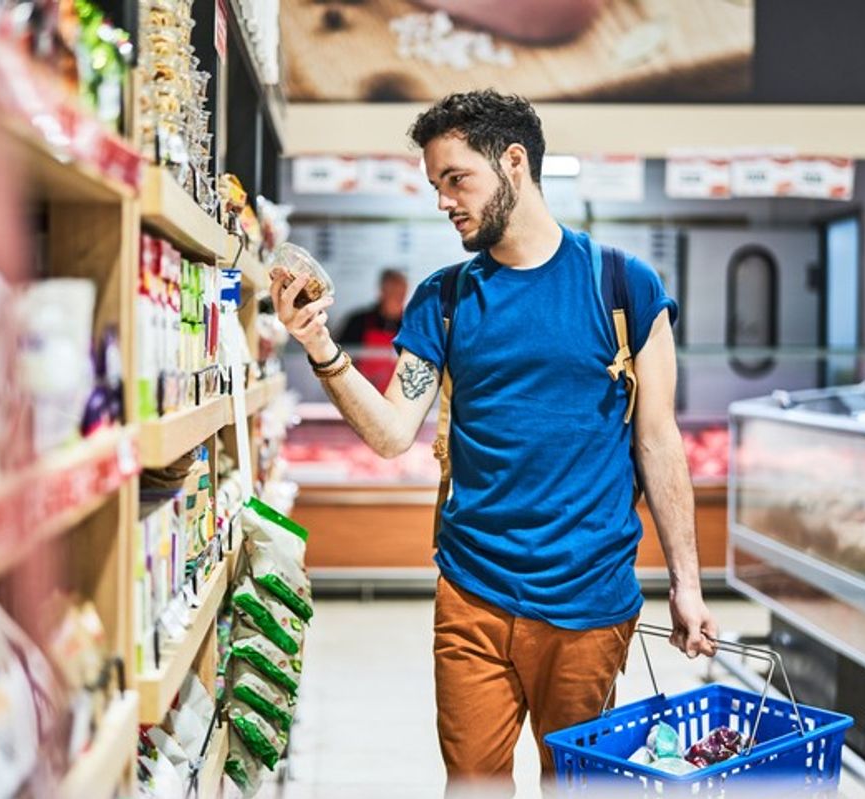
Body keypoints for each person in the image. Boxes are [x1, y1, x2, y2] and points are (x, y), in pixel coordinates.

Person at [269, 90, 717, 794]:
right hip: (471, 594)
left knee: (579, 784)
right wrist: (318, 343)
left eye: (456, 179)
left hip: (591, 601)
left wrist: (686, 584)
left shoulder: (624, 285)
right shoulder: (443, 301)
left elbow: (659, 444)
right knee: (473, 782)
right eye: (435, 185)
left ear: (513, 163)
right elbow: (390, 432)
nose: (444, 201)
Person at [337, 268, 409, 390]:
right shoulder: (357, 321)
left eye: (401, 294)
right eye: (393, 293)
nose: (397, 298)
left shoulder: (412, 327)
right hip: (360, 391)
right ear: (382, 292)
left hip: (398, 394)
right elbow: (339, 358)